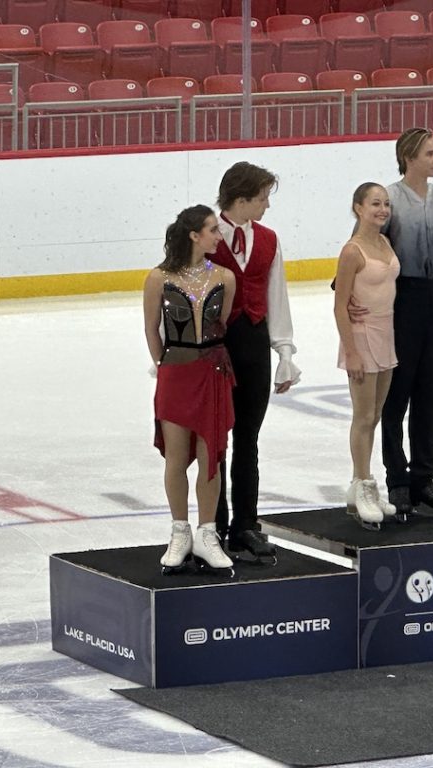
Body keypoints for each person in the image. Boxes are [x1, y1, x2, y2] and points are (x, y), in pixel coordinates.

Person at [209, 161, 301, 564]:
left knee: (248, 438)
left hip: (254, 342)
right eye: (262, 198)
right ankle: (212, 526)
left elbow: (275, 293)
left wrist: (284, 352)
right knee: (214, 442)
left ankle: (245, 525)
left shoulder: (268, 239)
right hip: (214, 347)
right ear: (241, 199)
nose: (266, 205)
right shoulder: (207, 236)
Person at [378, 128, 433, 519]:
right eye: (430, 153)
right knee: (396, 395)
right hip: (398, 303)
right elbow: (367, 251)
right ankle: (397, 479)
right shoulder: (388, 200)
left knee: (429, 394)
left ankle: (424, 478)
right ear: (409, 156)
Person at [143, 204, 237, 576]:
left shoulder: (226, 278)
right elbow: (152, 328)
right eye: (213, 230)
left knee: (211, 456)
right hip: (176, 374)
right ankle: (180, 530)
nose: (219, 235)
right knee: (176, 458)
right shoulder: (158, 278)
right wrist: (165, 367)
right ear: (194, 236)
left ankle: (207, 532)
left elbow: (223, 322)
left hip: (212, 372)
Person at [334, 182, 400, 529]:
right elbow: (340, 304)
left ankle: (361, 484)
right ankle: (362, 484)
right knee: (363, 416)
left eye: (386, 203)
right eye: (375, 203)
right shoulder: (352, 251)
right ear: (358, 207)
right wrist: (352, 351)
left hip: (385, 333)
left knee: (375, 414)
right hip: (361, 338)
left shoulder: (385, 242)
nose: (383, 209)